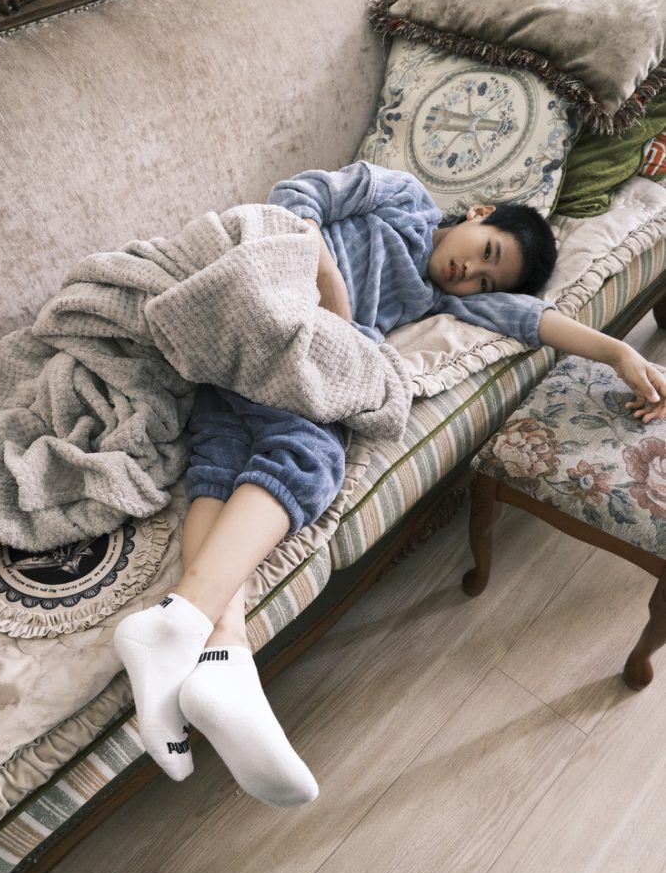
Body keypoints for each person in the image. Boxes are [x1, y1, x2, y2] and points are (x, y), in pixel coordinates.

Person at [114, 161, 666, 808]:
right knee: (314, 452)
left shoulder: (440, 296)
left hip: (260, 369)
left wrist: (621, 352)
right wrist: (334, 296)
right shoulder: (405, 199)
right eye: (486, 253)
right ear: (479, 213)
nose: (471, 272)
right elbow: (298, 196)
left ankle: (216, 650)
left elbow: (533, 319)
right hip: (268, 299)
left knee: (222, 460)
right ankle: (184, 632)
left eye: (486, 280)